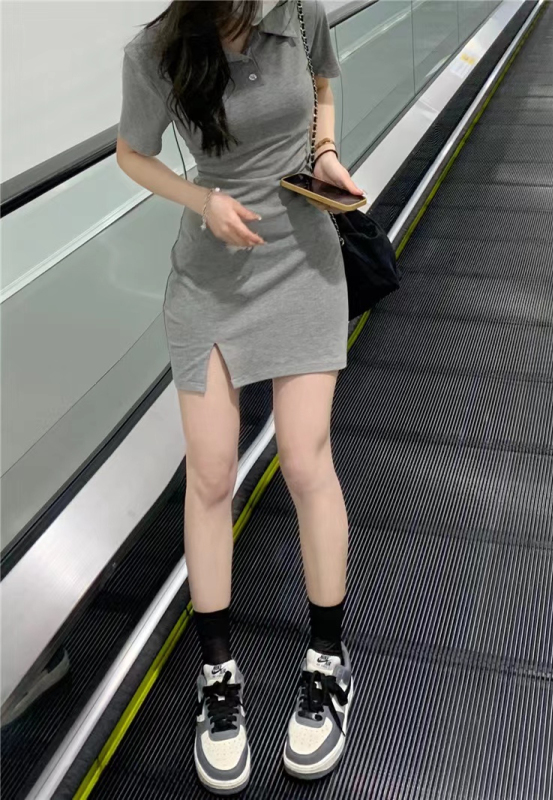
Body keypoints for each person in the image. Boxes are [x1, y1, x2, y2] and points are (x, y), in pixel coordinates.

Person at [117, 0, 362, 793]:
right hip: (210, 278)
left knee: (306, 461)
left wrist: (325, 152)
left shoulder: (298, 12)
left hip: (305, 260)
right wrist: (203, 202)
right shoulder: (156, 49)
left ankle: (328, 657)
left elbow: (321, 83)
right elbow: (132, 154)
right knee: (212, 473)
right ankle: (217, 674)